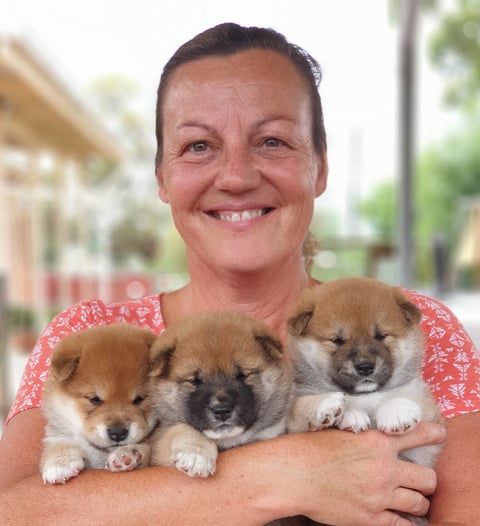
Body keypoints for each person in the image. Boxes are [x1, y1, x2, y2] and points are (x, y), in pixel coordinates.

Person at [0, 22, 479, 525]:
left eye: (272, 141)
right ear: (162, 177)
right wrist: (275, 477)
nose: (236, 177)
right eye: (198, 146)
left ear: (319, 167)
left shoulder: (416, 326)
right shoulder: (97, 340)